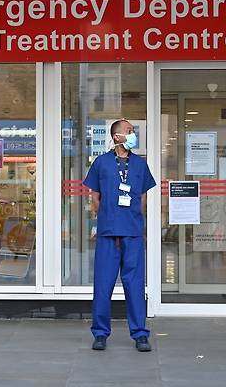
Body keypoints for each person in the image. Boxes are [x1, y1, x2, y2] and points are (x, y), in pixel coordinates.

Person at [82, 119, 156, 352]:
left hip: (132, 233)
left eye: (133, 131)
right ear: (116, 137)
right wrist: (109, 216)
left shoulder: (140, 165)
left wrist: (130, 218)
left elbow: (143, 198)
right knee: (103, 285)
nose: (133, 135)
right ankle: (100, 333)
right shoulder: (101, 163)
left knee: (134, 284)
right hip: (108, 233)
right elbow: (95, 199)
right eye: (129, 131)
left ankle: (140, 334)